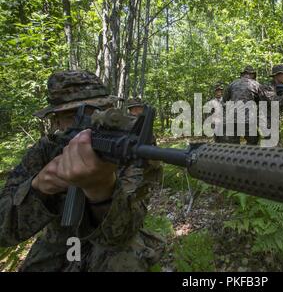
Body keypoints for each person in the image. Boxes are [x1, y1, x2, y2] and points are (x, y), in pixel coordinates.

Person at [0, 70, 164, 271]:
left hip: (112, 244)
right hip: (60, 241)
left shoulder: (129, 147)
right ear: (56, 122)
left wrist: (101, 189)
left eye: (98, 111)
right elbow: (3, 230)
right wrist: (39, 189)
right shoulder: (45, 150)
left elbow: (124, 231)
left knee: (124, 262)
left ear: (111, 109)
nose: (87, 125)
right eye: (73, 115)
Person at [219, 65, 283, 145]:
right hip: (248, 120)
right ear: (253, 75)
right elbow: (267, 100)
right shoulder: (255, 84)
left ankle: (235, 157)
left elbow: (224, 101)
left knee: (233, 145)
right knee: (252, 142)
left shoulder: (232, 84)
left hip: (232, 119)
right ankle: (248, 157)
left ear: (242, 74)